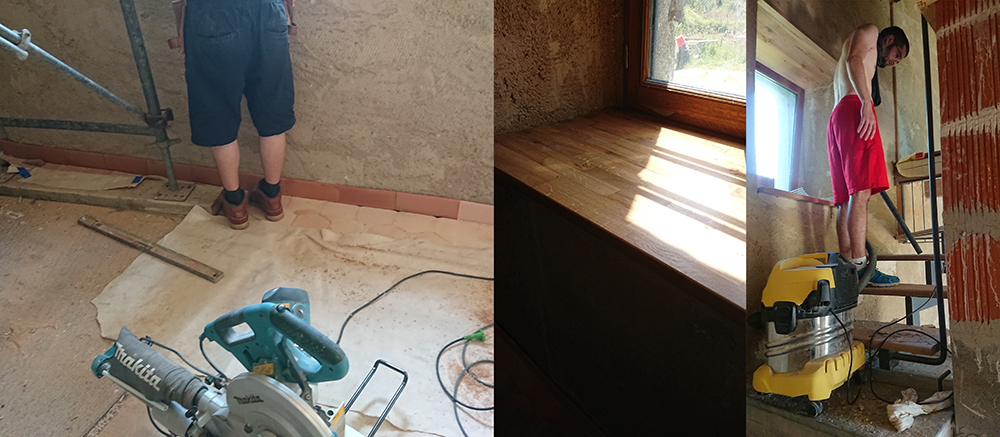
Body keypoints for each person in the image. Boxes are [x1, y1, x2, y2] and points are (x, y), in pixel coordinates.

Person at [172, 0, 295, 229]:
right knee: (273, 111)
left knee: (217, 108)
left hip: (213, 13)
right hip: (269, 11)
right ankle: (272, 197)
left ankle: (235, 203)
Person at [828, 24, 908, 287]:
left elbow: (852, 60)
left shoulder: (857, 44)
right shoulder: (871, 31)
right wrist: (866, 102)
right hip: (852, 108)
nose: (894, 61)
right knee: (860, 193)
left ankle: (847, 264)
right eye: (897, 54)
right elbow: (854, 59)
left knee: (845, 200)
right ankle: (863, 267)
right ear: (889, 39)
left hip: (837, 117)